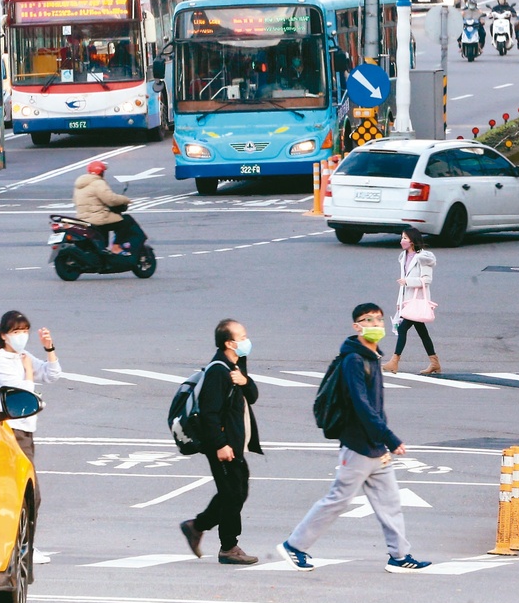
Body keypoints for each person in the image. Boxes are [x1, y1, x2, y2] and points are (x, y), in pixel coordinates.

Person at [277, 303, 431, 573]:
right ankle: (294, 546)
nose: (374, 325)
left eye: (379, 320)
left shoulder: (372, 356)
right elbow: (361, 406)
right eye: (367, 320)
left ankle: (399, 556)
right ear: (356, 326)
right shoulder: (353, 360)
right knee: (338, 500)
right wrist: (390, 438)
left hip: (375, 447)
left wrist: (382, 440)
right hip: (358, 446)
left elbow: (375, 406)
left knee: (390, 502)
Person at [179, 319, 263, 565]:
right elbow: (209, 413)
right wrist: (219, 445)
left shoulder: (235, 365)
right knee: (232, 494)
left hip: (234, 443)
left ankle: (197, 526)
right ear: (229, 342)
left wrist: (244, 381)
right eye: (242, 337)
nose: (246, 341)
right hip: (222, 445)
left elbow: (253, 396)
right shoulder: (218, 370)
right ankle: (228, 547)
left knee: (236, 492)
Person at [0, 310, 60, 564]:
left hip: (26, 429)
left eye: (24, 331)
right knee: (27, 492)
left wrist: (49, 348)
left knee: (22, 491)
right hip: (11, 431)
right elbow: (17, 393)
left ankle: (21, 544)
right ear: (4, 335)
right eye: (16, 332)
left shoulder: (22, 356)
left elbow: (51, 375)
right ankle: (23, 547)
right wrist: (27, 372)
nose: (21, 336)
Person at [382, 228, 440, 376]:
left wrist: (408, 281)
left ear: (412, 241)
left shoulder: (423, 258)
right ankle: (434, 363)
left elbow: (427, 280)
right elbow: (403, 282)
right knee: (422, 332)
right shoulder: (403, 256)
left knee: (402, 329)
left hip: (418, 300)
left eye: (405, 238)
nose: (402, 241)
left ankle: (394, 362)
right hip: (408, 300)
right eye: (402, 238)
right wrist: (399, 302)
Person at [73, 159, 142, 253]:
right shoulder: (98, 183)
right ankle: (116, 247)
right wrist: (125, 200)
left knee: (105, 229)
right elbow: (111, 200)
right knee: (125, 221)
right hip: (98, 218)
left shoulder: (79, 185)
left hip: (83, 219)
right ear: (101, 172)